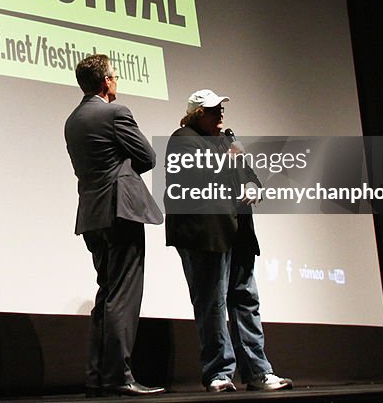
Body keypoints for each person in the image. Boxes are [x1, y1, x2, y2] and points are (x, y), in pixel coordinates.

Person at [165, 89, 293, 392]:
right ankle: (218, 373)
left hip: (238, 235)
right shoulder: (182, 139)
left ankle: (258, 372)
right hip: (205, 237)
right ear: (198, 114)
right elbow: (195, 178)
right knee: (212, 305)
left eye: (221, 108)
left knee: (246, 301)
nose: (221, 114)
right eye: (213, 110)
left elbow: (249, 174)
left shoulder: (226, 142)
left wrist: (252, 185)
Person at [64, 54, 165, 397]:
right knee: (122, 296)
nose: (117, 81)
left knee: (106, 294)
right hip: (120, 211)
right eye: (115, 76)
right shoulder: (115, 112)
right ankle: (120, 376)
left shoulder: (72, 120)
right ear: (106, 82)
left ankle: (99, 376)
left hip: (92, 216)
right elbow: (149, 157)